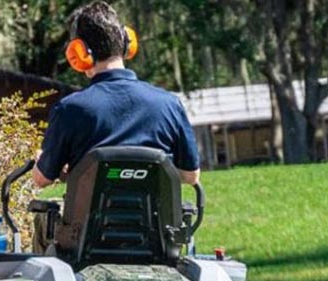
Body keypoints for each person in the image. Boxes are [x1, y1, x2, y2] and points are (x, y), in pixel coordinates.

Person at [31, 1, 201, 189]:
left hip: (88, 219)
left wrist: (43, 161)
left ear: (78, 53)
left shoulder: (69, 109)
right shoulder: (169, 104)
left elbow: (42, 179)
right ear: (127, 44)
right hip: (154, 218)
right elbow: (191, 175)